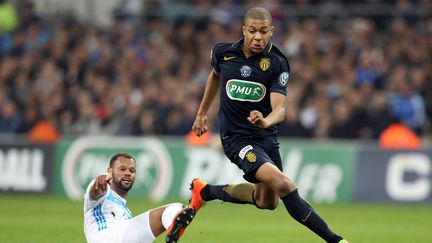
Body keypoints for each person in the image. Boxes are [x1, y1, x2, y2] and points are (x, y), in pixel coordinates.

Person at [191, 7, 349, 243]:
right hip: (237, 140)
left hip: (266, 138)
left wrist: (266, 120)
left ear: (271, 31)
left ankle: (206, 191)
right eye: (252, 31)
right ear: (243, 30)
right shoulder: (222, 53)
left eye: (263, 32)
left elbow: (281, 110)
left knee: (267, 202)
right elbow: (215, 75)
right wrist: (202, 112)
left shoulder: (277, 62)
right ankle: (336, 240)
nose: (257, 37)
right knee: (283, 184)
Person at [83, 152, 201, 243]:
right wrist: (102, 178)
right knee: (174, 209)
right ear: (110, 171)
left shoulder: (126, 214)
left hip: (121, 237)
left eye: (132, 170)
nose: (128, 173)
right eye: (122, 169)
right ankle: (174, 224)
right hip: (106, 238)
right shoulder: (103, 192)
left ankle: (175, 225)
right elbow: (95, 190)